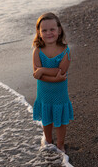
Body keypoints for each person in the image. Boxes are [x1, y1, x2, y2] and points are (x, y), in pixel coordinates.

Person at [32, 12, 74, 152]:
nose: (48, 33)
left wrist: (43, 70)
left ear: (59, 30)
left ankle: (61, 144)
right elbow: (37, 75)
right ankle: (49, 141)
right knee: (47, 118)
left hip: (59, 94)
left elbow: (61, 71)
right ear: (39, 32)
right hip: (44, 93)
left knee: (61, 120)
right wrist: (54, 77)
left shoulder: (64, 50)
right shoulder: (37, 51)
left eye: (52, 29)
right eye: (44, 30)